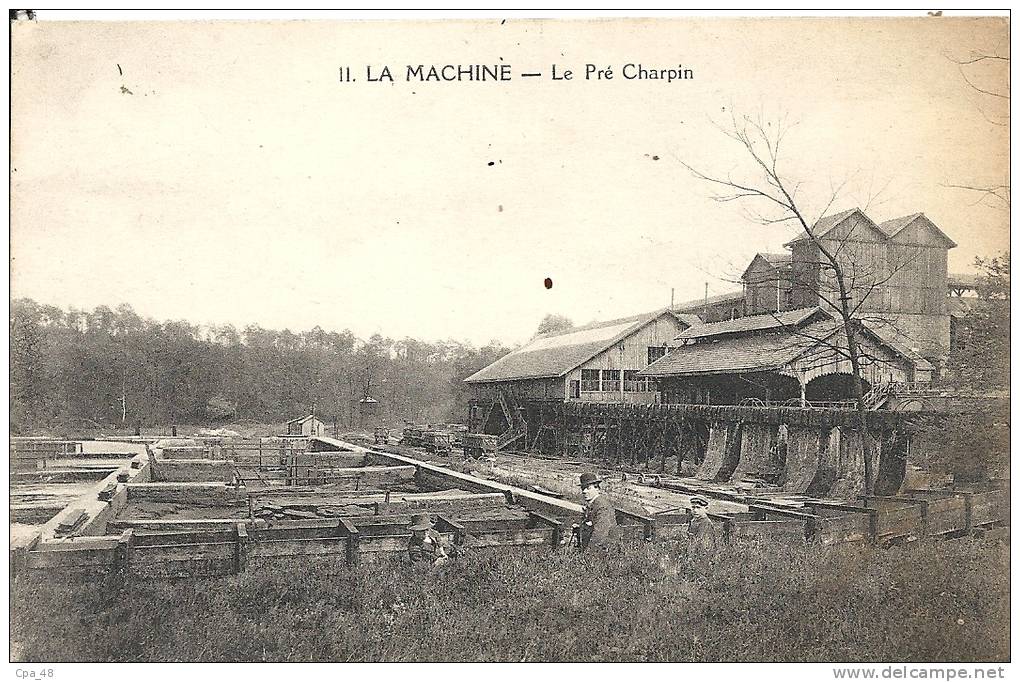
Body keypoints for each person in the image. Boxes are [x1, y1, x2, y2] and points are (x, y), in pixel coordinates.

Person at [577, 472, 621, 550]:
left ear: (597, 488)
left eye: (588, 488)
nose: (584, 491)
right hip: (596, 545)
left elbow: (600, 534)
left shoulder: (602, 506)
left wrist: (587, 554)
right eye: (583, 488)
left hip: (606, 549)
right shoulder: (592, 504)